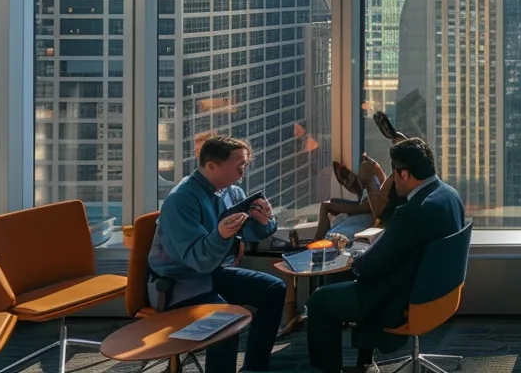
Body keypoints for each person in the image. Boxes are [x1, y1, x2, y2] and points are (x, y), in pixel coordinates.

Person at [307, 137, 466, 373]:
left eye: (393, 173)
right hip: (438, 292)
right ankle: (364, 363)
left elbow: (371, 266)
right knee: (347, 283)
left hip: (403, 298)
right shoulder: (449, 195)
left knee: (320, 300)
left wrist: (356, 257)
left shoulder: (412, 212)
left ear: (404, 174)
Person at [148, 135, 287, 373]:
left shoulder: (231, 192)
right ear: (211, 166)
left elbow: (252, 233)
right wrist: (221, 235)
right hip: (179, 284)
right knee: (225, 324)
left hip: (212, 273)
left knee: (274, 290)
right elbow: (198, 260)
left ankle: (255, 367)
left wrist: (266, 221)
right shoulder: (181, 200)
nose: (242, 173)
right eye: (239, 166)